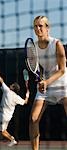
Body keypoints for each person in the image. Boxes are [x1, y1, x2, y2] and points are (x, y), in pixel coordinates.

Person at [29, 16, 67, 150]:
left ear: (47, 28)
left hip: (62, 83)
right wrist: (40, 80)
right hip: (45, 85)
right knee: (33, 119)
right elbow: (38, 68)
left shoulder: (57, 44)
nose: (38, 29)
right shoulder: (33, 47)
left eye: (41, 26)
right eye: (35, 26)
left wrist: (47, 81)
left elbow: (62, 70)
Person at [0, 65, 30, 147]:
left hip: (4, 115)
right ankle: (8, 138)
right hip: (5, 115)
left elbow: (0, 79)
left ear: (13, 88)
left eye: (12, 85)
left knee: (2, 131)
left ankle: (12, 140)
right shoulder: (17, 97)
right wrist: (27, 95)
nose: (10, 85)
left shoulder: (7, 91)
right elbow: (25, 102)